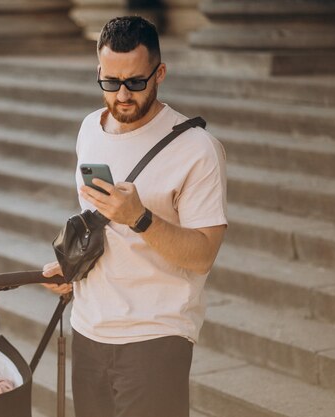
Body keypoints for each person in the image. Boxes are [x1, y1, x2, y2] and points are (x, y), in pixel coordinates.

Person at [42, 16, 227, 417]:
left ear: (159, 73)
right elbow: (97, 220)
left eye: (135, 82)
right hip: (89, 327)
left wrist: (140, 218)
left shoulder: (198, 149)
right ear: (99, 73)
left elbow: (203, 255)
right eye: (110, 82)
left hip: (156, 335)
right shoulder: (91, 127)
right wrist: (71, 267)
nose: (122, 94)